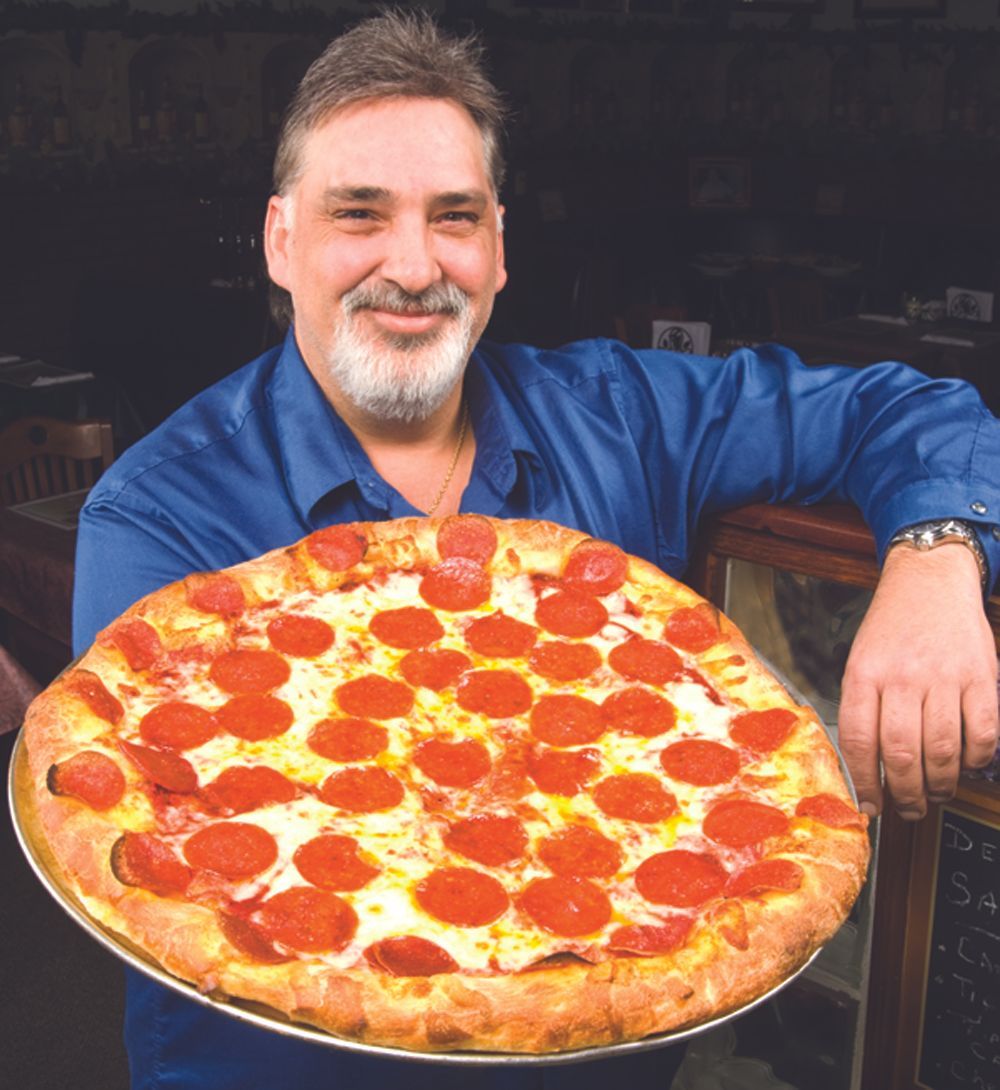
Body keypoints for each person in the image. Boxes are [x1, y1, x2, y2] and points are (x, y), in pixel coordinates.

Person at [73, 11, 999, 1090]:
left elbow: (912, 409)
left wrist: (936, 557)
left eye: (453, 217)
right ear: (282, 241)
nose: (412, 266)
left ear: (500, 247)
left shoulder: (624, 411)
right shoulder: (160, 514)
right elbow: (173, 869)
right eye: (358, 215)